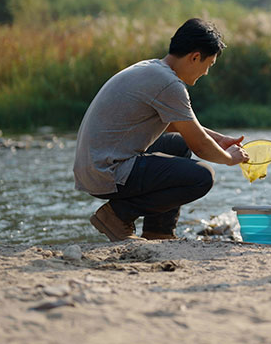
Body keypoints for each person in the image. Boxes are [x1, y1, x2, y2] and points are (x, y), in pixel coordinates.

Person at [74, 18, 249, 242]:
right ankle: (117, 215)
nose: (206, 72)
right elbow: (200, 146)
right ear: (195, 57)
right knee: (202, 177)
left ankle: (158, 231)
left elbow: (177, 125)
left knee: (179, 143)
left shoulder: (152, 69)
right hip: (106, 171)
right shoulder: (169, 85)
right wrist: (229, 158)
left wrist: (218, 139)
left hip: (94, 166)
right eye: (209, 64)